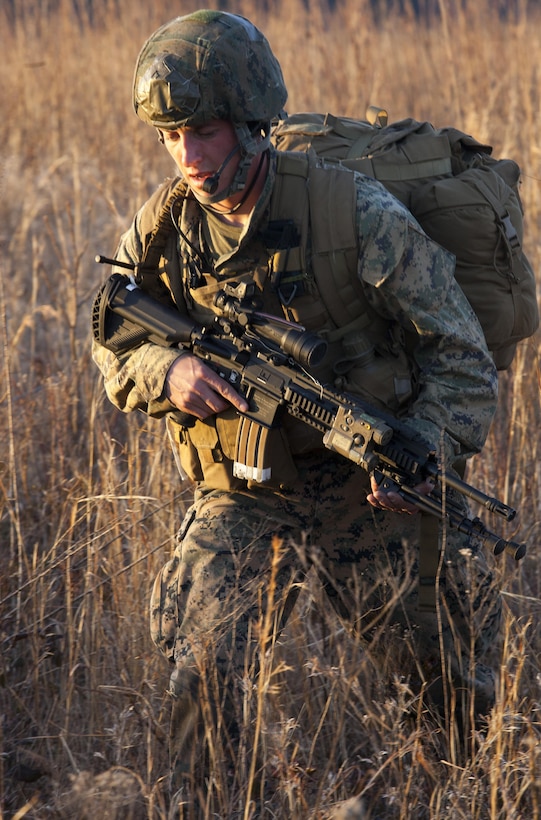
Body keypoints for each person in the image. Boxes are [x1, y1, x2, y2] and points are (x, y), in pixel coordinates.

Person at [92, 9, 501, 815]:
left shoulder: (356, 215)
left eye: (204, 132)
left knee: (439, 678)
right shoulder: (164, 227)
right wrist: (165, 366)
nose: (188, 157)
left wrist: (420, 446)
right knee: (201, 669)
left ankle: (459, 796)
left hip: (365, 480)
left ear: (252, 124)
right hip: (245, 488)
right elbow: (110, 333)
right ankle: (204, 802)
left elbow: (462, 359)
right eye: (171, 136)